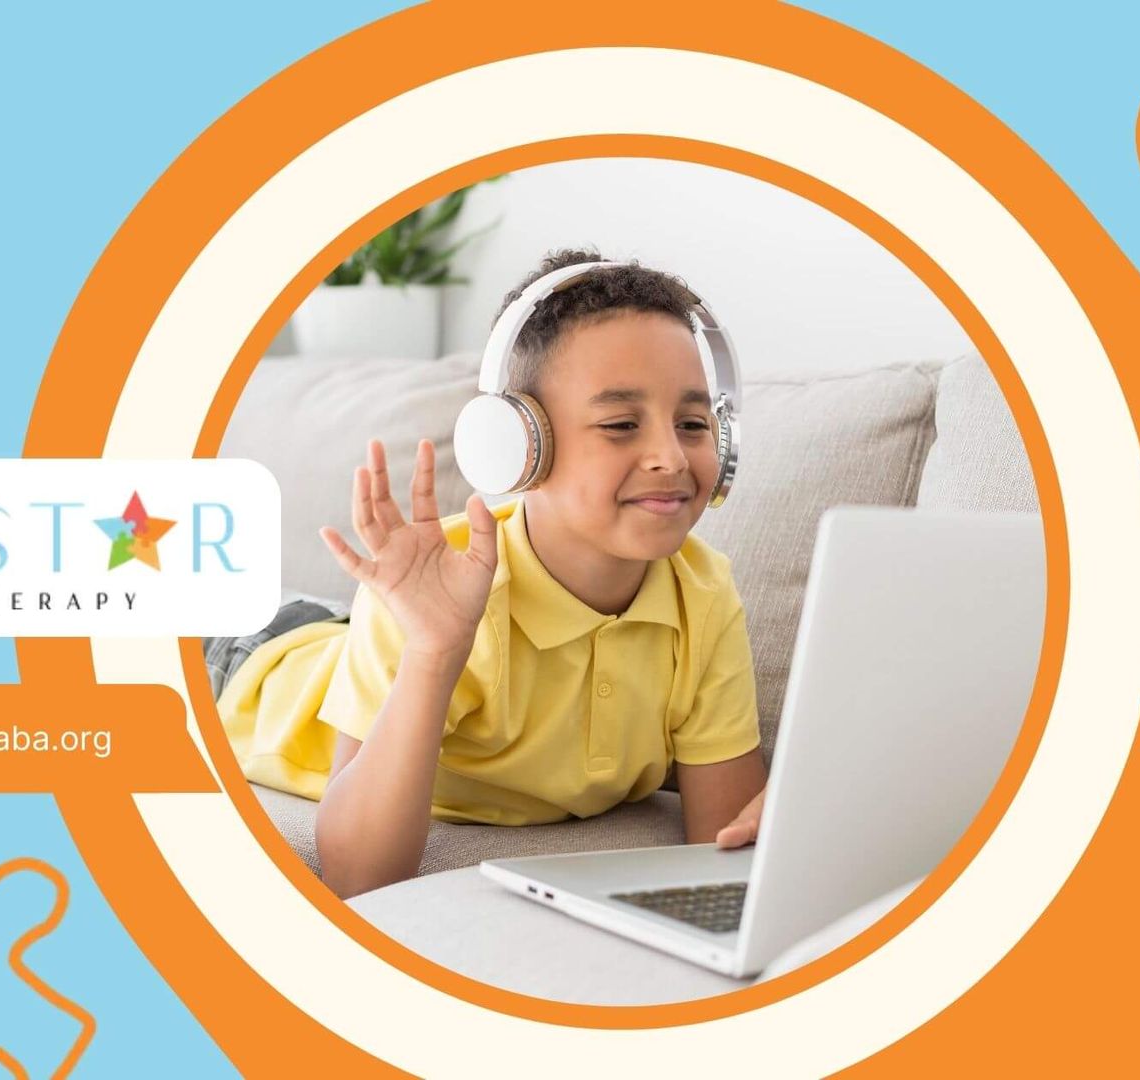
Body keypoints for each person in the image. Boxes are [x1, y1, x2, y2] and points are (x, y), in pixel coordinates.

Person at [218, 249, 767, 898]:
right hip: (250, 660)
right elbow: (360, 875)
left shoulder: (702, 592)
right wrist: (434, 649)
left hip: (334, 634)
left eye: (694, 424)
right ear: (516, 444)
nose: (670, 457)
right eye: (621, 425)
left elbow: (722, 847)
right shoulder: (437, 592)